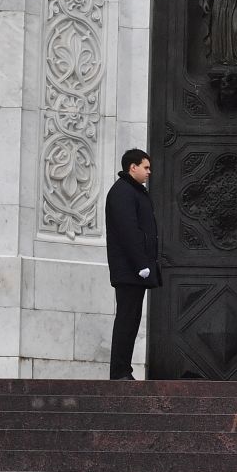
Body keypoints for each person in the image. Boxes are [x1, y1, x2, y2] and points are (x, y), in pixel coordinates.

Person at [105, 148, 160, 380]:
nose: (149, 172)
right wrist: (140, 263)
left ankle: (123, 370)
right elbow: (128, 231)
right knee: (126, 320)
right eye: (146, 167)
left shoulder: (134, 191)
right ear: (133, 167)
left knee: (130, 320)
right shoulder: (123, 192)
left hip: (135, 271)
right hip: (130, 270)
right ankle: (119, 372)